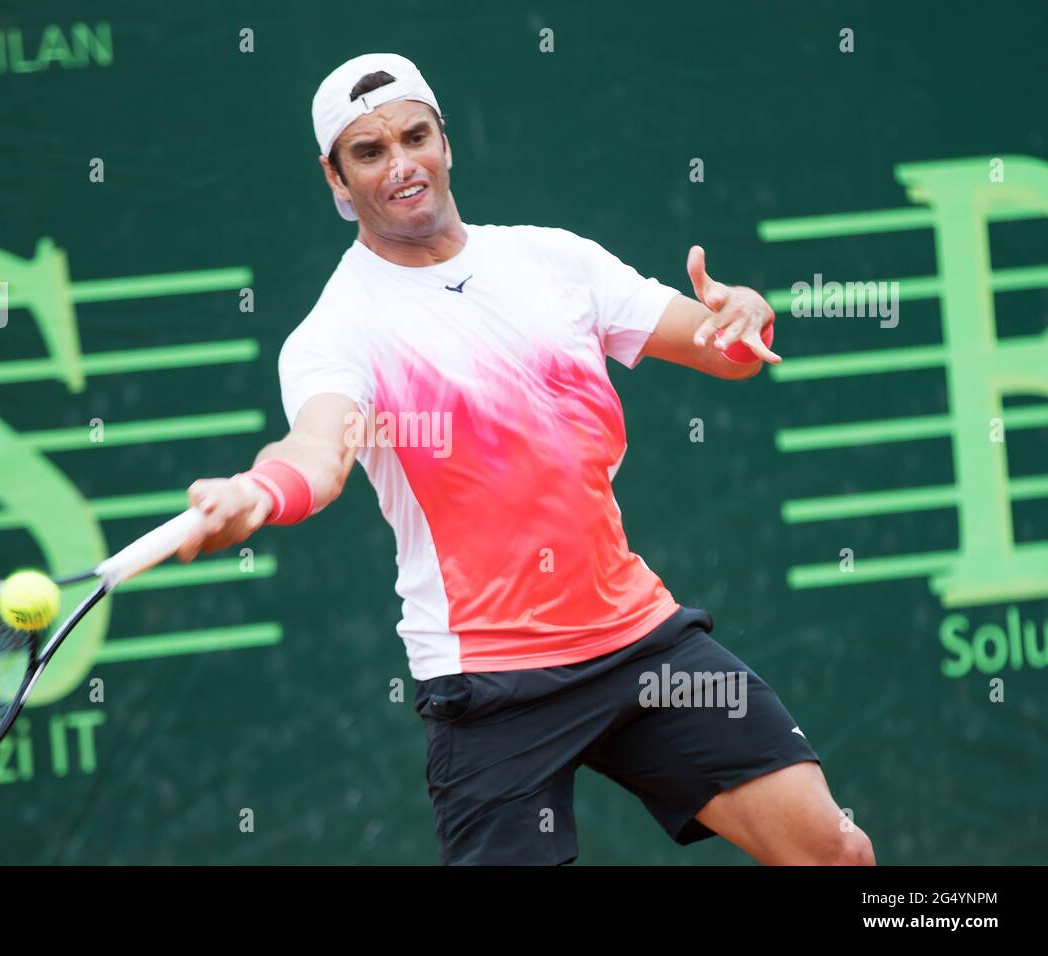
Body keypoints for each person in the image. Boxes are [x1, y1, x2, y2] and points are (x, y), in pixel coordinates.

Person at [177, 52, 874, 866]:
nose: (401, 165)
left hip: (638, 643)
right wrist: (260, 493)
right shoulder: (337, 331)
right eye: (369, 153)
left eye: (415, 136)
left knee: (835, 852)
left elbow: (724, 348)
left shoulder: (554, 261)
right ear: (335, 178)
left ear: (445, 143)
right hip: (491, 685)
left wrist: (745, 317)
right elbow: (319, 451)